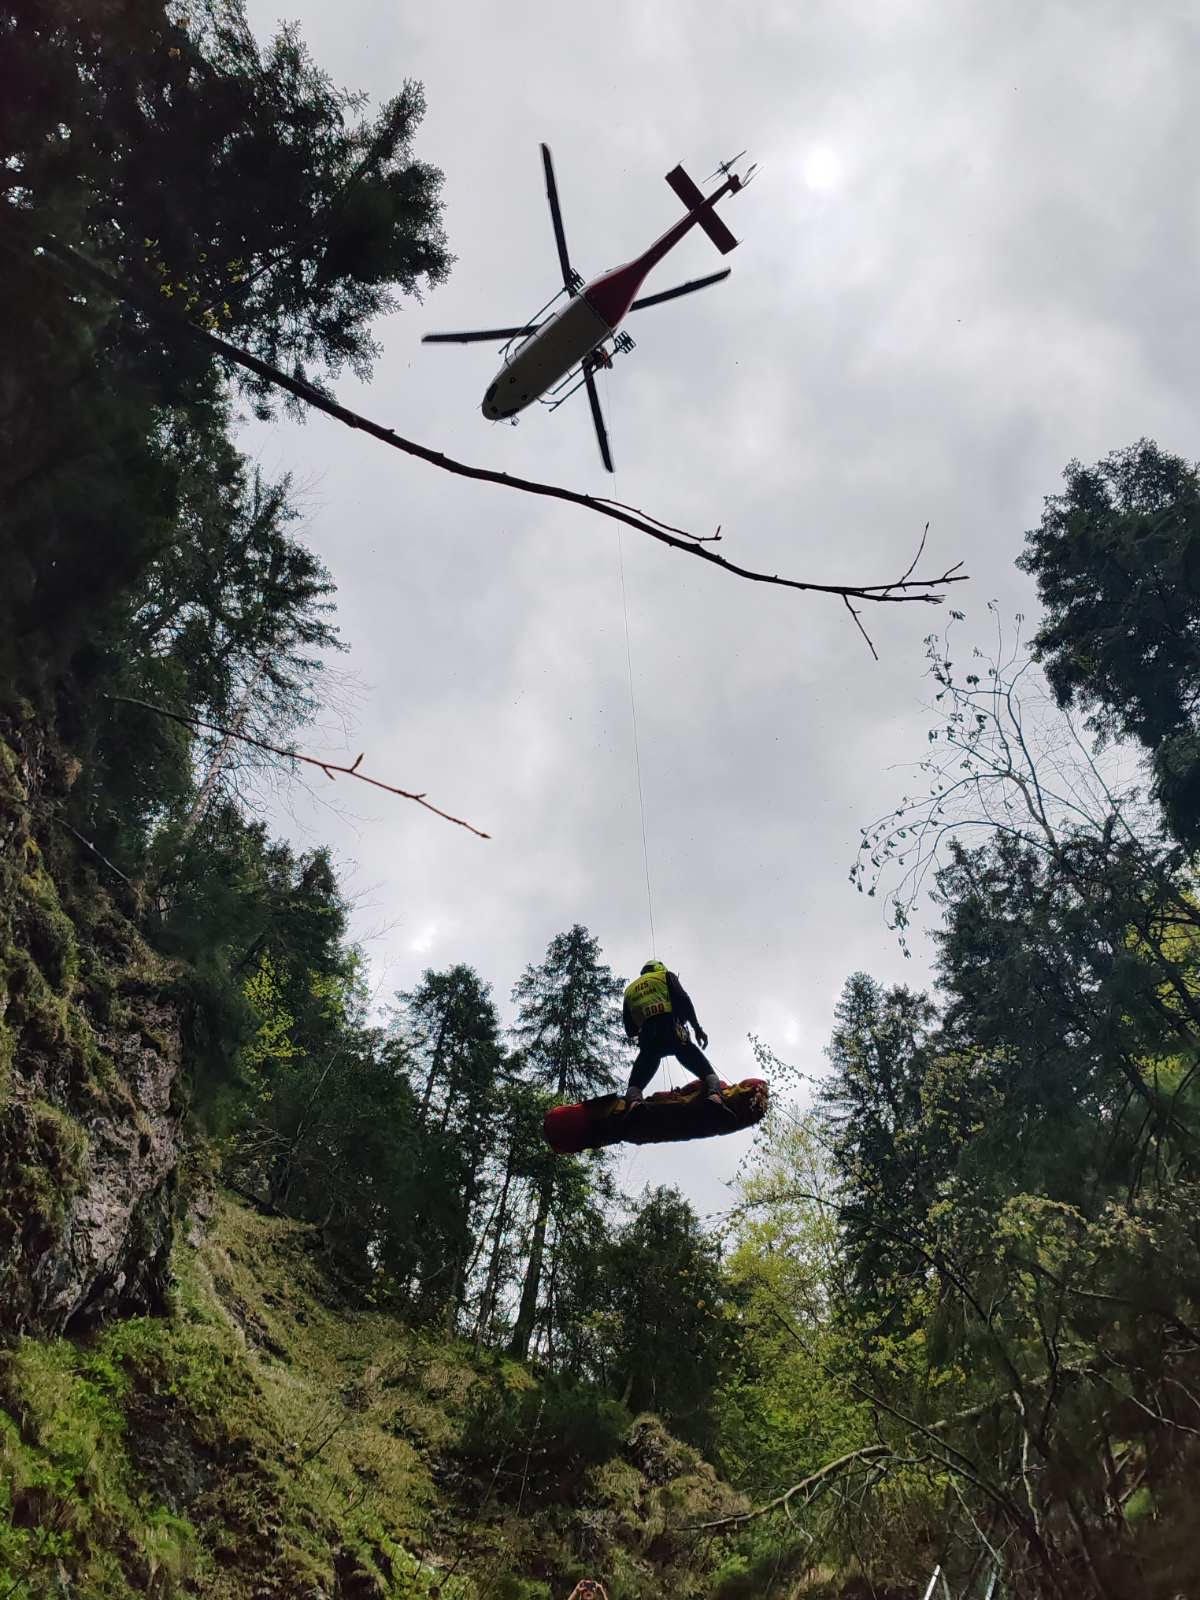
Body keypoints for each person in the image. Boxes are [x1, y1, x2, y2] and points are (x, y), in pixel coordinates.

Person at [621, 959, 729, 1112]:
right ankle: (715, 1096)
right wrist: (697, 1028)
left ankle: (633, 1103)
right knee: (697, 1061)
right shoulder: (665, 975)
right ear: (659, 967)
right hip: (671, 1029)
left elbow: (630, 1030)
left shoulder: (630, 990)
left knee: (640, 1074)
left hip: (648, 1037)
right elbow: (684, 1000)